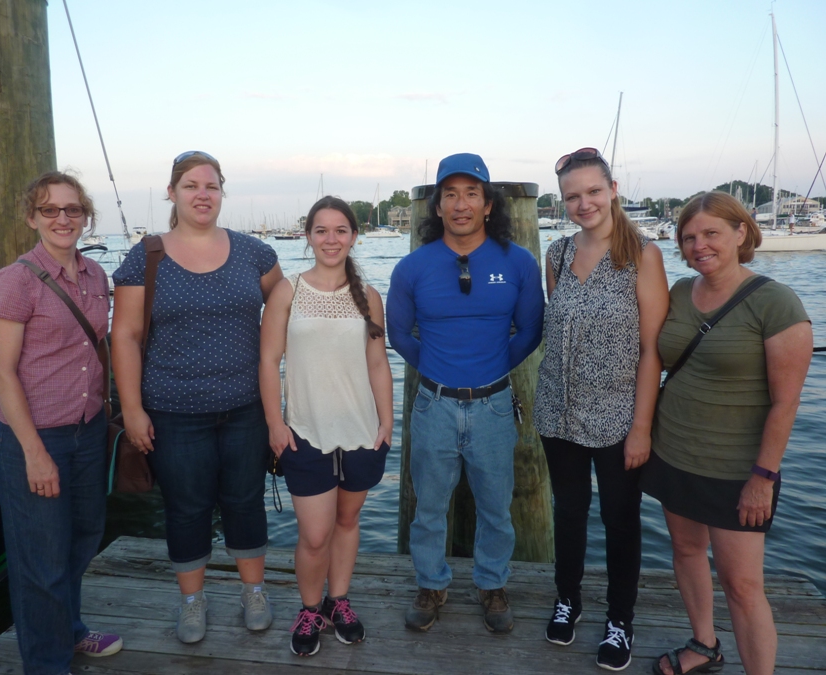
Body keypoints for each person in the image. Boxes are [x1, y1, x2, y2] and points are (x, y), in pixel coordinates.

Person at [111, 151, 283, 644]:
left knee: (245, 502)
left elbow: (287, 303)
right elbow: (124, 335)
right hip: (173, 411)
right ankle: (192, 600)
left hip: (247, 407)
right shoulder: (147, 256)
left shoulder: (254, 253)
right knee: (186, 508)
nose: (202, 194)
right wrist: (132, 409)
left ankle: (254, 592)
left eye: (211, 185)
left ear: (222, 192)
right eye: (190, 186)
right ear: (172, 193)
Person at [641, 192, 811, 675]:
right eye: (689, 237)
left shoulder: (776, 302)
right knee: (686, 550)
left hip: (737, 470)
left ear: (741, 233)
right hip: (674, 452)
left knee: (742, 586)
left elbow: (786, 402)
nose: (699, 245)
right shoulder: (679, 292)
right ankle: (704, 643)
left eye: (711, 233)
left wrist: (763, 477)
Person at [386, 152, 544, 634]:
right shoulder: (412, 268)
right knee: (429, 508)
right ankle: (431, 584)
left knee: (497, 508)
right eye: (450, 194)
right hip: (433, 405)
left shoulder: (519, 263)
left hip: (494, 405)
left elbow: (530, 331)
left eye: (471, 193)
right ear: (437, 206)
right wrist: (439, 370)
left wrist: (490, 368)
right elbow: (399, 334)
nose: (461, 204)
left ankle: (492, 584)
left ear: (488, 204)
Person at [533, 148, 669, 671]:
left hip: (618, 418)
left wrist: (642, 428)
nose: (583, 203)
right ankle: (567, 599)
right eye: (572, 196)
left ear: (613, 190)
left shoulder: (643, 256)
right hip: (558, 411)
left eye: (593, 191)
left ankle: (619, 619)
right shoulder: (557, 254)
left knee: (620, 519)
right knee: (568, 512)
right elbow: (557, 329)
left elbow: (652, 350)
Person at [0, 171, 122, 675]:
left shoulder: (96, 276)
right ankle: (46, 664)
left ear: (85, 217)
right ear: (32, 218)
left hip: (87, 430)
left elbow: (100, 346)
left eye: (72, 209)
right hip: (33, 436)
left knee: (83, 538)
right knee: (39, 560)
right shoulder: (16, 280)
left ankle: (70, 630)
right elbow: (3, 372)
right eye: (49, 209)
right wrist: (34, 453)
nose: (62, 218)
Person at [259, 196, 393, 656]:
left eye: (340, 230)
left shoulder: (370, 297)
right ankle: (310, 607)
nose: (331, 239)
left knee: (348, 520)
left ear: (354, 236)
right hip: (304, 431)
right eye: (321, 230)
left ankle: (339, 601)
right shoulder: (288, 291)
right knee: (315, 535)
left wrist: (387, 422)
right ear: (308, 236)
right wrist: (275, 423)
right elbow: (268, 360)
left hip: (361, 431)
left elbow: (377, 363)